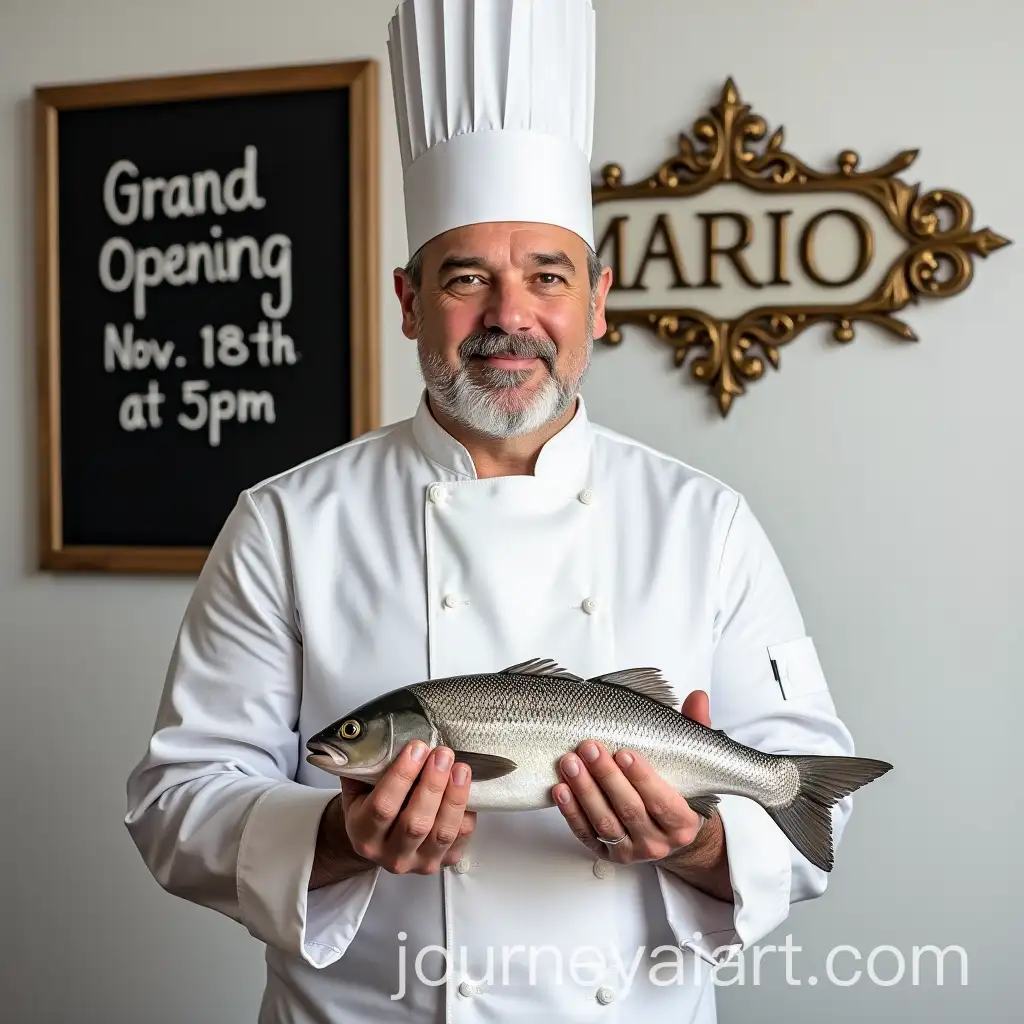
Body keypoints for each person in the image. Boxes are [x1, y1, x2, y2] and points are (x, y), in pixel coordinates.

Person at [125, 1, 863, 1020]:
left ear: (596, 302)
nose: (507, 316)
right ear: (409, 300)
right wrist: (342, 836)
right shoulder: (283, 522)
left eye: (545, 277)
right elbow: (176, 805)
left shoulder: (707, 520)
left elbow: (805, 805)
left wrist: (691, 836)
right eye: (467, 276)